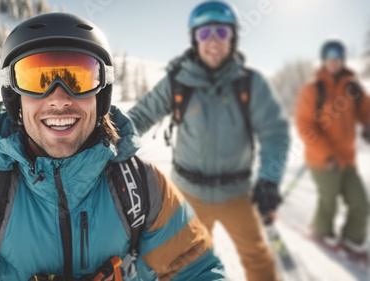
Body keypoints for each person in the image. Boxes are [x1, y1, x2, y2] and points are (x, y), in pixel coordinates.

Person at [0, 13, 226, 281]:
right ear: (15, 97)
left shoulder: (143, 186)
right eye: (38, 79)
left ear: (101, 94)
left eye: (77, 78)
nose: (59, 99)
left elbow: (195, 270)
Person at [127, 1, 289, 280]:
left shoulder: (250, 84)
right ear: (194, 39)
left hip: (237, 193)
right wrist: (109, 143)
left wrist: (269, 179)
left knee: (259, 261)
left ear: (233, 38)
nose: (213, 42)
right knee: (176, 264)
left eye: (221, 33)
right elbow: (138, 118)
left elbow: (274, 133)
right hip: (188, 194)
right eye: (205, 34)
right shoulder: (178, 82)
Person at [295, 40, 370, 262]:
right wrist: (326, 154)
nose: (333, 60)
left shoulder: (352, 87)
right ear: (323, 60)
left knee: (361, 204)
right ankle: (321, 233)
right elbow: (305, 125)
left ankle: (352, 241)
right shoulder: (313, 89)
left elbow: (366, 110)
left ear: (343, 59)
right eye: (329, 55)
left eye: (338, 55)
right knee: (329, 202)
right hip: (322, 159)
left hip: (347, 159)